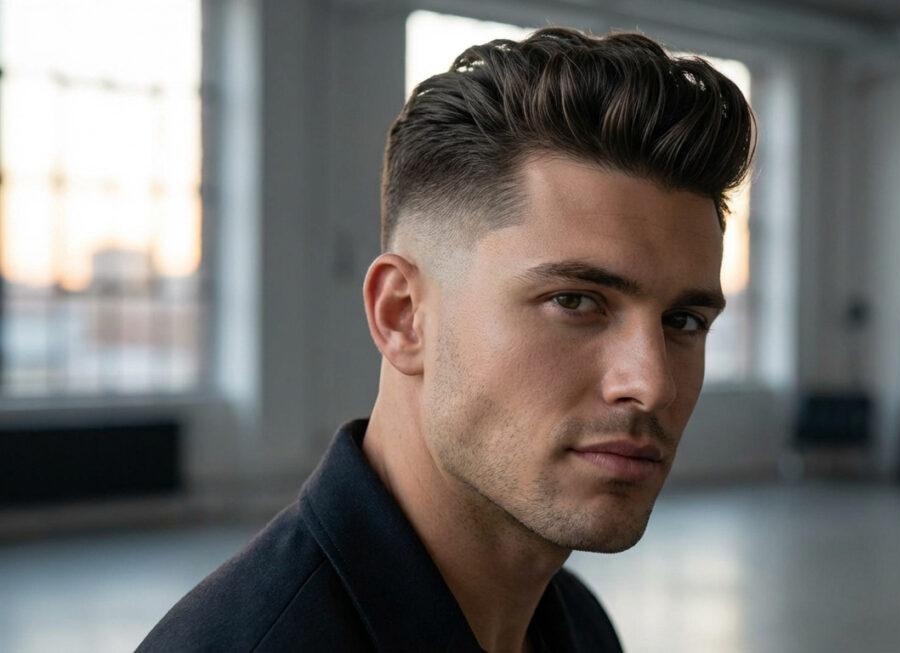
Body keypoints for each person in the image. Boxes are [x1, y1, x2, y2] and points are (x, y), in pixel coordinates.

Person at [140, 26, 754, 653]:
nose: (651, 384)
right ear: (403, 316)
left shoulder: (576, 626)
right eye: (574, 302)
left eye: (683, 322)